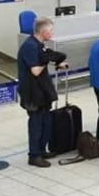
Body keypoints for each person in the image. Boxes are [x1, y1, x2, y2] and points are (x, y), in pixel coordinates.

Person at [17, 17, 66, 168]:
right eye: (50, 30)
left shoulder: (40, 45)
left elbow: (44, 59)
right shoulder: (30, 47)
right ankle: (34, 155)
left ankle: (41, 149)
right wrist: (47, 60)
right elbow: (36, 70)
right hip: (33, 93)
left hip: (42, 91)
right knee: (36, 124)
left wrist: (56, 62)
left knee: (46, 122)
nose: (52, 33)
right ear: (43, 31)